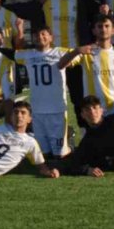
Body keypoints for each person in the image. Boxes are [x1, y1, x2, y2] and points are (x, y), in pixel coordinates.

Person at [58, 14, 114, 126]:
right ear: (94, 31)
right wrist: (77, 51)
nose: (103, 29)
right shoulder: (87, 51)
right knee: (102, 134)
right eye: (99, 26)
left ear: (113, 30)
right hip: (94, 107)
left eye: (107, 26)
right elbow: (61, 65)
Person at [15, 26, 72, 158]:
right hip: (37, 109)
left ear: (51, 37)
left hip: (57, 109)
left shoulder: (60, 52)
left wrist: (78, 51)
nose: (40, 37)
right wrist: (19, 30)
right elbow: (12, 52)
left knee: (60, 154)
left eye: (43, 34)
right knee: (44, 152)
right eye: (36, 35)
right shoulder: (28, 54)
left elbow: (76, 58)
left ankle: (70, 143)